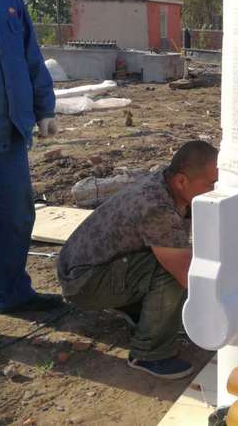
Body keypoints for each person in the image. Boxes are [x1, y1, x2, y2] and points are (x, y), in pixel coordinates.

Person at [57, 140, 218, 379]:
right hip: (83, 283)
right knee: (173, 270)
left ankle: (136, 308)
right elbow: (186, 276)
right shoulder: (156, 207)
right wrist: (223, 311)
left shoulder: (166, 182)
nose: (216, 190)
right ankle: (150, 353)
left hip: (91, 266)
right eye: (212, 184)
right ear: (181, 181)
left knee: (172, 257)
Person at [0, 0, 63, 315]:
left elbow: (29, 52)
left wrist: (44, 107)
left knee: (16, 216)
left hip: (10, 131)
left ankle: (12, 294)